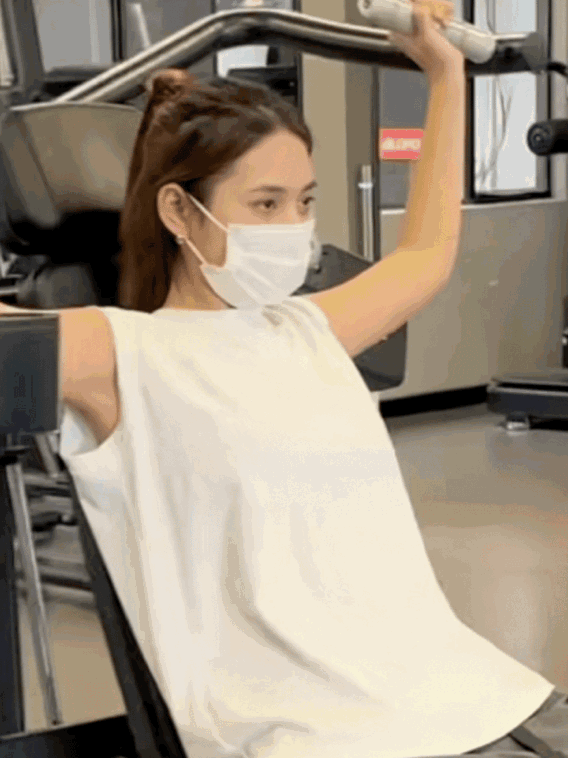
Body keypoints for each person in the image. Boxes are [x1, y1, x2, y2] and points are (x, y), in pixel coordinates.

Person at [2, 1, 567, 757]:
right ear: (179, 212)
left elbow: (426, 254)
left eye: (304, 203)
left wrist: (444, 77)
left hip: (463, 689)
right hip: (317, 732)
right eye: (265, 204)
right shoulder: (121, 351)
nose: (292, 228)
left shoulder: (307, 327)